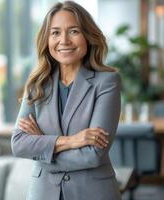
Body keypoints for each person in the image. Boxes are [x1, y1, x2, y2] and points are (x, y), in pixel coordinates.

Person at [11, 1, 121, 200]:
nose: (64, 40)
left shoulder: (107, 82)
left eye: (73, 31)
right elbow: (19, 144)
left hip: (92, 193)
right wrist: (72, 141)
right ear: (47, 39)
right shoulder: (36, 83)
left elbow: (94, 154)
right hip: (43, 193)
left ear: (87, 36)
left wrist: (43, 144)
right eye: (55, 33)